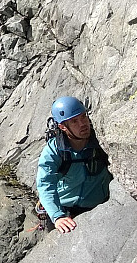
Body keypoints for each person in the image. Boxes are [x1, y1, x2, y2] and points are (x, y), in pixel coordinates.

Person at [35, 96, 112, 233]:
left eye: (83, 117)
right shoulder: (55, 151)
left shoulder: (100, 140)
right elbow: (45, 184)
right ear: (63, 127)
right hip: (64, 210)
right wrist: (57, 216)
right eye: (74, 121)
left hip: (98, 206)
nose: (83, 124)